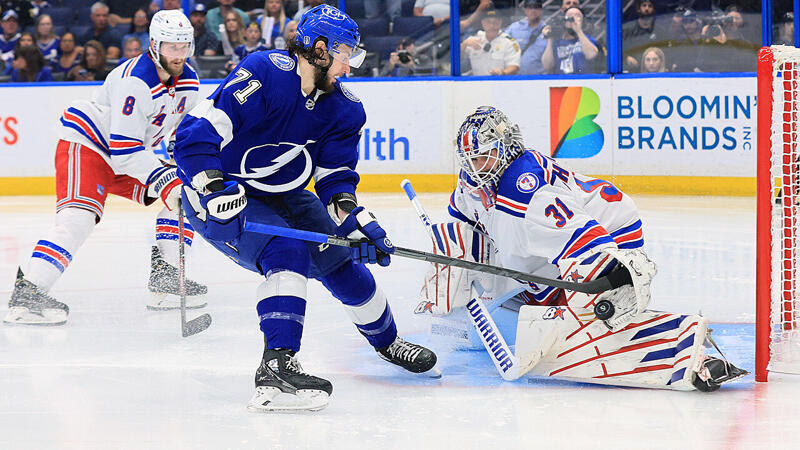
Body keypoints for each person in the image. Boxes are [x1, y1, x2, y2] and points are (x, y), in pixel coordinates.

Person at [172, 4, 439, 412]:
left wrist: (352, 219)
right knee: (287, 250)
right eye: (346, 54)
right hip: (224, 196)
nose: (350, 66)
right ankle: (276, 367)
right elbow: (194, 136)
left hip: (286, 194)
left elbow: (335, 179)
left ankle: (388, 343)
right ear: (318, 48)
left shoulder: (345, 108)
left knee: (342, 263)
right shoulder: (263, 74)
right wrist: (210, 185)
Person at [416, 105, 748, 392]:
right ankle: (553, 304)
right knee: (459, 241)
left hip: (611, 233)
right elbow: (463, 221)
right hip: (555, 246)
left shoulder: (525, 193)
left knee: (592, 321)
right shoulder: (473, 182)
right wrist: (453, 260)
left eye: (484, 155)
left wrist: (600, 291)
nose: (475, 166)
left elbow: (589, 240)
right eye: (470, 158)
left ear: (504, 148)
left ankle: (682, 352)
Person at [4, 10, 206, 326]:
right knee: (79, 218)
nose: (178, 55)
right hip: (88, 145)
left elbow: (183, 138)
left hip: (130, 154)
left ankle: (167, 280)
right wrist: (167, 182)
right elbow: (124, 151)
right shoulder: (135, 82)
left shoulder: (189, 82)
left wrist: (190, 174)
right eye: (171, 47)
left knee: (187, 191)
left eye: (184, 47)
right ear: (154, 44)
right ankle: (29, 291)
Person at [461, 7, 520, 76]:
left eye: (495, 22)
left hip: (500, 82)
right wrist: (464, 45)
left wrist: (503, 73)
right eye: (488, 22)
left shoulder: (509, 42)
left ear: (500, 22)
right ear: (482, 23)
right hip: (477, 83)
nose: (492, 26)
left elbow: (514, 67)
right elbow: (458, 60)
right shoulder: (474, 39)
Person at [541, 7, 598, 74]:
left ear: (583, 21)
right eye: (569, 16)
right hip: (562, 81)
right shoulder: (557, 42)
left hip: (582, 81)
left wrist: (578, 31)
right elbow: (547, 66)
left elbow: (591, 55)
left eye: (577, 16)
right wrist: (550, 39)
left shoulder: (588, 39)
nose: (573, 19)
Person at [622, 0, 668, 72]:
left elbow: (666, 51)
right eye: (644, 5)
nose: (647, 8)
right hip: (633, 72)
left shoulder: (660, 31)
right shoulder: (628, 30)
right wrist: (625, 58)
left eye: (650, 6)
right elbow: (619, 48)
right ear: (638, 9)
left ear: (653, 9)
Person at [504, 0, 546, 75]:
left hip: (540, 79)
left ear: (541, 10)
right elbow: (500, 40)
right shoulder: (514, 28)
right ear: (525, 9)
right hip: (517, 78)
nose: (533, 10)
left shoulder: (548, 30)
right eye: (530, 7)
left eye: (536, 7)